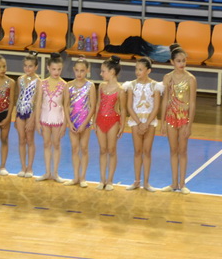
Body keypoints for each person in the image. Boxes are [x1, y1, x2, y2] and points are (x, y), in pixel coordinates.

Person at [161, 45, 197, 194]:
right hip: (171, 117)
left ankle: (182, 184)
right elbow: (165, 100)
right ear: (172, 62)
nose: (182, 64)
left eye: (184, 61)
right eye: (179, 61)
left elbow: (192, 103)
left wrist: (189, 124)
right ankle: (174, 183)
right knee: (173, 150)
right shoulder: (167, 78)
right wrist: (162, 121)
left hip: (184, 118)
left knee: (182, 150)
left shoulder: (191, 79)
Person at [124, 57, 163, 192]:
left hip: (149, 121)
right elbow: (129, 106)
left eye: (140, 69)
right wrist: (139, 122)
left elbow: (156, 107)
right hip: (136, 121)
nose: (137, 72)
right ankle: (136, 181)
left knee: (147, 151)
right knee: (137, 151)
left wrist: (146, 124)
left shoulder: (155, 86)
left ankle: (146, 182)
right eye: (136, 69)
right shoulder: (131, 85)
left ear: (148, 71)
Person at [34, 53, 68, 183]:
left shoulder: (64, 85)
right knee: (46, 144)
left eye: (59, 69)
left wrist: (65, 124)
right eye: (54, 69)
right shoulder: (42, 83)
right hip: (45, 118)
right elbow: (38, 103)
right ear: (48, 68)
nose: (56, 72)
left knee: (56, 144)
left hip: (58, 118)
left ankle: (55, 173)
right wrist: (37, 121)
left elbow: (66, 105)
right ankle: (47, 172)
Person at [63, 57, 96, 188]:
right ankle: (76, 177)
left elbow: (92, 107)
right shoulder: (69, 85)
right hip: (72, 122)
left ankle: (83, 177)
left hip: (85, 122)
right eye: (77, 70)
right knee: (74, 149)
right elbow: (66, 105)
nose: (79, 73)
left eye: (82, 71)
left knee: (84, 148)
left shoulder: (90, 86)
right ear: (73, 70)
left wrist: (85, 123)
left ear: (87, 70)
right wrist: (69, 123)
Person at [95, 56, 126, 191]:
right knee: (103, 150)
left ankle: (110, 180)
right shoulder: (101, 87)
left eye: (103, 71)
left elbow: (123, 109)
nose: (101, 74)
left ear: (112, 72)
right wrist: (95, 121)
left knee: (111, 150)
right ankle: (102, 179)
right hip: (100, 120)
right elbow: (98, 104)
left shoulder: (120, 90)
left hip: (113, 121)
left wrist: (122, 125)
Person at [15, 51, 39, 178]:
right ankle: (23, 167)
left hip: (30, 113)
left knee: (30, 140)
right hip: (20, 112)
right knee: (21, 139)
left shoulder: (38, 81)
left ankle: (30, 167)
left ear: (36, 67)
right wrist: (15, 116)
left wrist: (32, 118)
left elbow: (37, 101)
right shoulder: (20, 79)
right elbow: (19, 97)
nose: (27, 68)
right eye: (25, 66)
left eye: (30, 66)